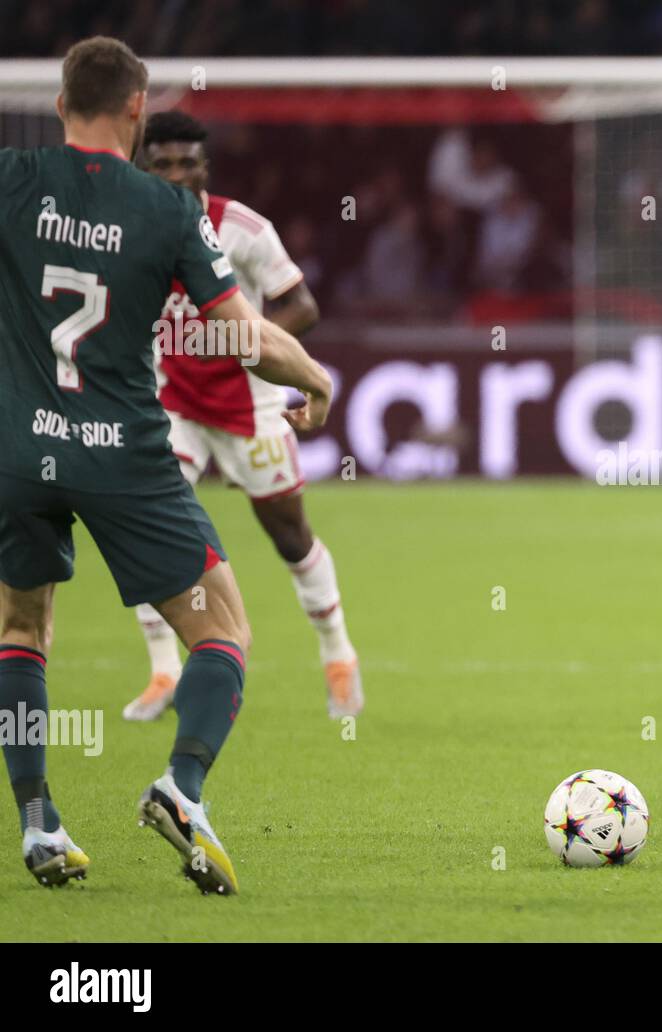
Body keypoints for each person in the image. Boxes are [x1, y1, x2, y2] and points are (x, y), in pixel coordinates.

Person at [0, 37, 333, 892]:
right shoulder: (167, 210)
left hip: (20, 452)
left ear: (60, 99)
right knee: (222, 629)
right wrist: (315, 376)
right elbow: (243, 335)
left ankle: (39, 826)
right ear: (138, 109)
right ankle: (181, 787)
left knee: (20, 630)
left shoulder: (12, 179)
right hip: (125, 461)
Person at [127, 110, 362, 723]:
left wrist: (242, 341)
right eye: (163, 164)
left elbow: (302, 306)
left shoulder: (242, 230)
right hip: (171, 403)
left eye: (188, 162)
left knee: (289, 536)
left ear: (207, 167)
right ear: (143, 167)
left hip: (250, 405)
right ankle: (161, 669)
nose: (177, 174)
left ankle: (338, 656)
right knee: (145, 521)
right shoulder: (127, 224)